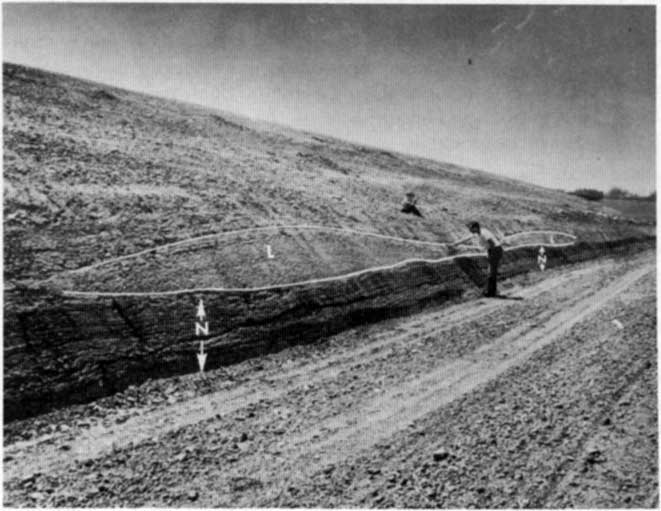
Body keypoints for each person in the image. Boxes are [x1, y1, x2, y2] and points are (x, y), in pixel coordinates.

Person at [449, 222, 504, 297]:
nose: (469, 229)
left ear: (475, 228)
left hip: (495, 250)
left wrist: (491, 255)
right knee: (491, 273)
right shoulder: (480, 232)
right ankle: (492, 291)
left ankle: (492, 292)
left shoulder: (484, 234)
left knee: (491, 272)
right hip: (493, 250)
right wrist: (455, 244)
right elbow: (468, 238)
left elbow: (492, 243)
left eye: (471, 228)